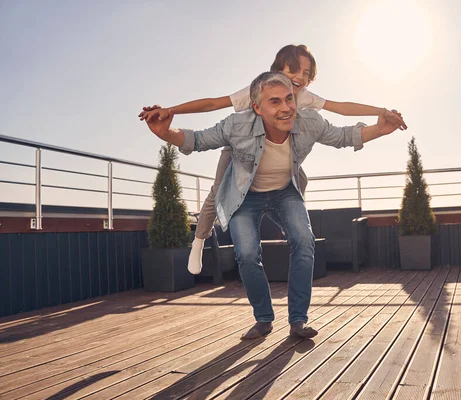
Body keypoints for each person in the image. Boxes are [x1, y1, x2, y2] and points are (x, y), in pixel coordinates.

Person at [142, 71, 404, 340]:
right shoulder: (237, 125)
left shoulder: (309, 121)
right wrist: (165, 133)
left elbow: (345, 136)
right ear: (257, 107)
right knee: (246, 254)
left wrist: (381, 129)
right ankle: (264, 319)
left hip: (285, 192)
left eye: (289, 99)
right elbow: (196, 140)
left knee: (304, 241)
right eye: (275, 102)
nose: (287, 108)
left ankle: (298, 321)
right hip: (245, 195)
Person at [139, 45, 407, 274]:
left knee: (299, 180)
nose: (299, 78)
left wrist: (381, 111)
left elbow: (341, 107)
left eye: (306, 74)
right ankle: (198, 240)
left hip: (279, 156)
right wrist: (171, 110)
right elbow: (213, 104)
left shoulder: (305, 98)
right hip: (241, 149)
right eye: (293, 71)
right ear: (277, 70)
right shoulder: (257, 89)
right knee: (218, 189)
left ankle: (289, 225)